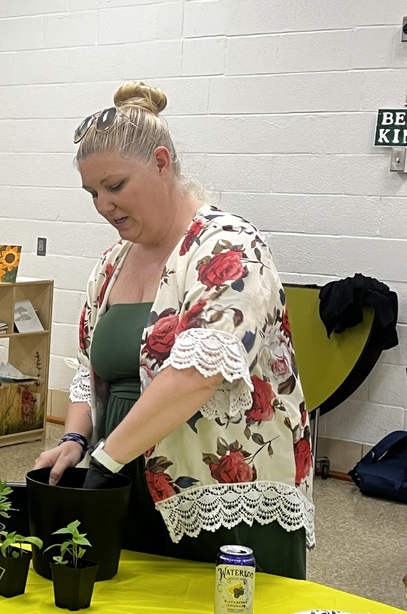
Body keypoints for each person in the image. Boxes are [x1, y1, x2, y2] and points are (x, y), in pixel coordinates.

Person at [34, 82, 314, 579]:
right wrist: (76, 438)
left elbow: (195, 373)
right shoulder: (112, 263)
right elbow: (88, 368)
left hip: (221, 500)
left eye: (115, 186)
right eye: (92, 193)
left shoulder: (228, 247)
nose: (102, 205)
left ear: (161, 162)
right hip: (125, 486)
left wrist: (103, 461)